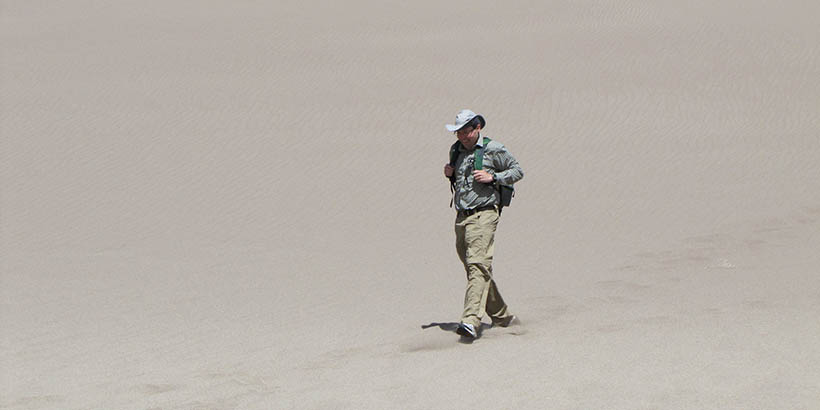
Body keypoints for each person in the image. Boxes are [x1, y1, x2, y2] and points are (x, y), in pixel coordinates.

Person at [443, 109, 524, 339]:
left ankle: (470, 320)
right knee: (475, 267)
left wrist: (494, 178)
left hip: (485, 214)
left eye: (466, 131)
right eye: (458, 132)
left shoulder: (493, 148)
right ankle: (502, 316)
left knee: (478, 263)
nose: (462, 136)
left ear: (477, 128)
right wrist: (449, 173)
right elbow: (460, 179)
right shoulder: (456, 150)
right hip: (462, 217)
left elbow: (517, 171)